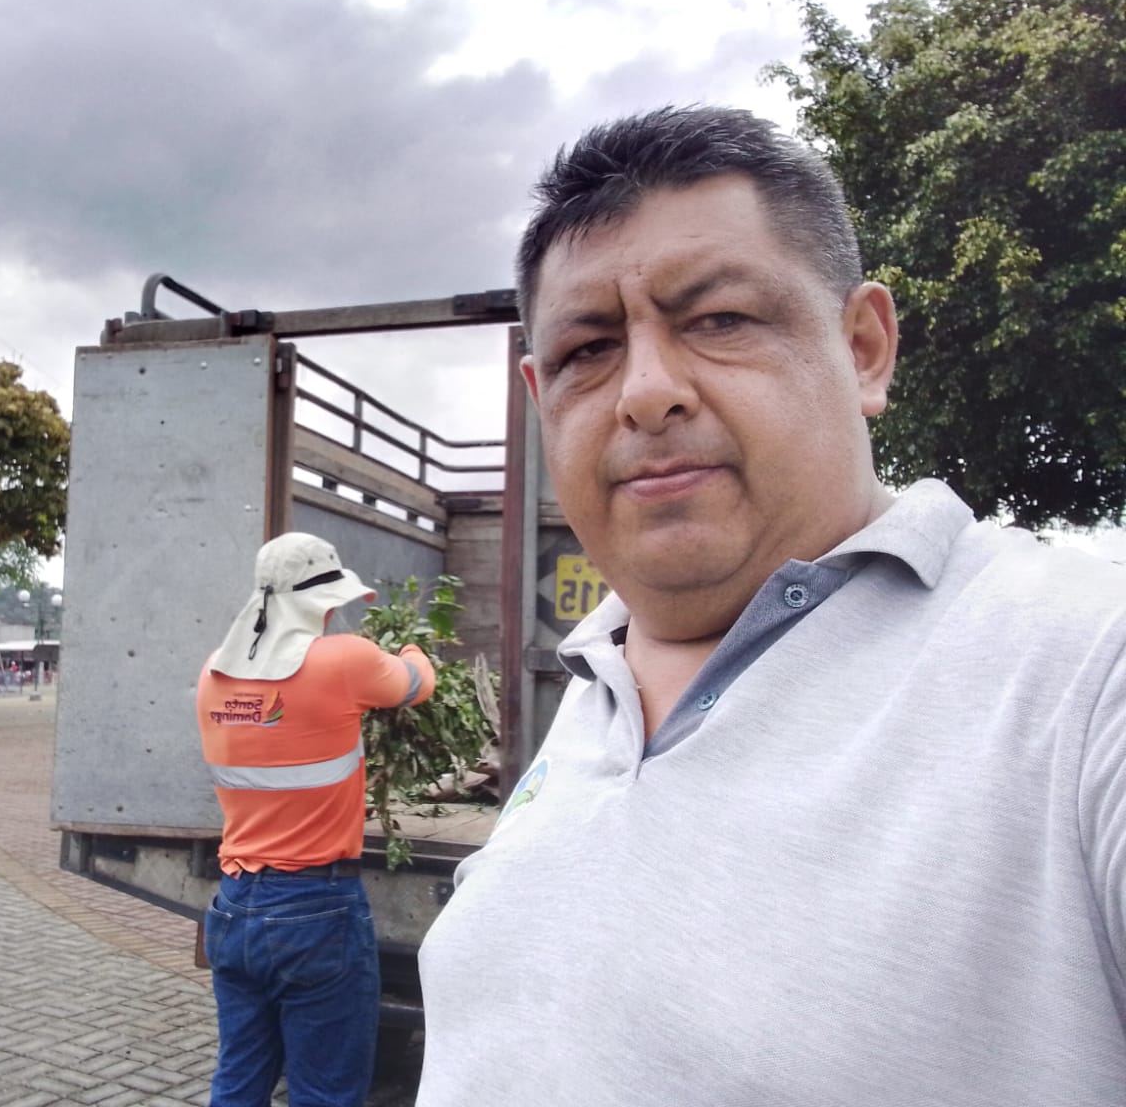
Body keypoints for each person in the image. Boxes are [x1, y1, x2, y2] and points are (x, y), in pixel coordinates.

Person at [415, 105, 1126, 1106]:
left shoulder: (1084, 674)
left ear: (864, 347)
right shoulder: (599, 682)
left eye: (719, 321)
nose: (644, 392)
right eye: (588, 349)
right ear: (543, 401)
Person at [197, 532, 436, 1107]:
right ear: (320, 604)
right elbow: (418, 684)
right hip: (315, 914)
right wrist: (409, 648)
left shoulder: (213, 675)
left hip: (234, 908)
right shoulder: (344, 660)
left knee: (237, 1081)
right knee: (325, 1092)